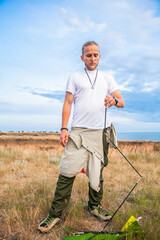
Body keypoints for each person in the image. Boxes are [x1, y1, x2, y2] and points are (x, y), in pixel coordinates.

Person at [38, 41, 125, 233]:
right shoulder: (75, 77)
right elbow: (68, 103)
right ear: (82, 57)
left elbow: (122, 102)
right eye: (88, 55)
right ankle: (55, 214)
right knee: (67, 172)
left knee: (97, 173)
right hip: (78, 132)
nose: (92, 58)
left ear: (99, 56)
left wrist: (114, 100)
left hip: (100, 132)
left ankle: (94, 206)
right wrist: (63, 128)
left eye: (95, 55)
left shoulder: (107, 78)